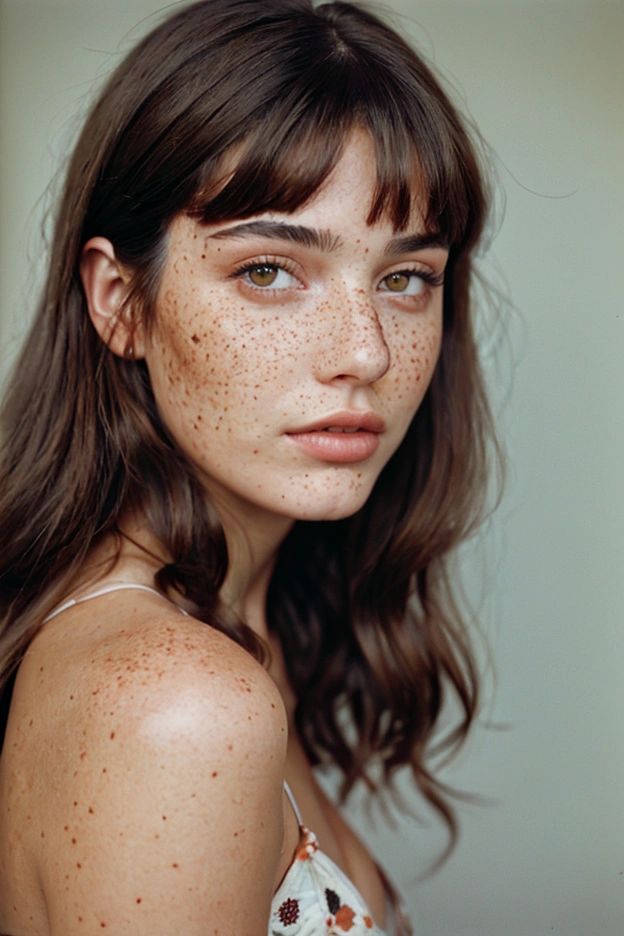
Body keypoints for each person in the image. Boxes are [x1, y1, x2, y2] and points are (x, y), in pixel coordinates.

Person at [0, 0, 497, 932]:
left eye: (405, 278)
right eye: (269, 270)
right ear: (121, 302)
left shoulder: (243, 633)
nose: (367, 353)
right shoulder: (175, 703)